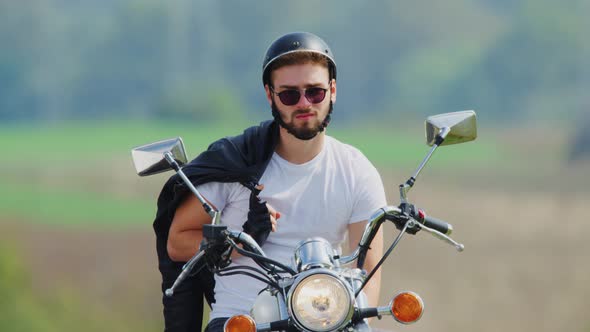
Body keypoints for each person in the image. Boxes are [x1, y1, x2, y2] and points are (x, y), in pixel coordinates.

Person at [153, 31, 386, 332]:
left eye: (314, 92)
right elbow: (177, 242)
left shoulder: (357, 171)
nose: (304, 103)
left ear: (333, 90)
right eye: (289, 94)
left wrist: (353, 319)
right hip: (242, 321)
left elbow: (366, 275)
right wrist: (240, 241)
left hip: (320, 319)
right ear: (270, 95)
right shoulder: (237, 164)